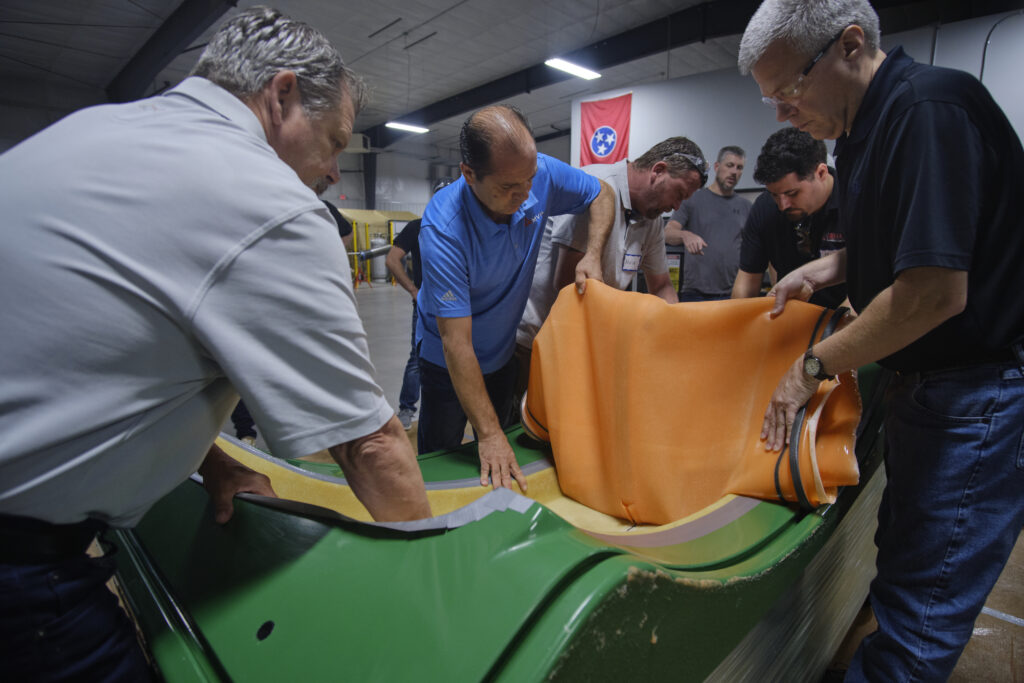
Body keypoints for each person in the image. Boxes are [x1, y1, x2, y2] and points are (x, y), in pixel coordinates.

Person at [0, 8, 431, 681]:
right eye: (333, 143)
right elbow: (369, 445)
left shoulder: (88, 132)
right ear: (281, 95)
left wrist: (210, 458)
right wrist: (435, 584)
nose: (332, 174)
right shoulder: (270, 201)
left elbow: (109, 345)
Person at [739, 1, 1024, 680]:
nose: (781, 114)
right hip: (927, 389)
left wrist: (811, 367)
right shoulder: (861, 134)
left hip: (976, 391)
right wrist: (829, 267)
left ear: (850, 44)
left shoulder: (929, 111)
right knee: (905, 558)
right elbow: (910, 239)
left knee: (921, 608)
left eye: (788, 90)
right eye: (770, 99)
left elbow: (931, 292)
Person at [417, 104, 616, 492]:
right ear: (469, 174)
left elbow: (602, 192)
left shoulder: (538, 174)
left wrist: (593, 253)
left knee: (505, 459)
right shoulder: (443, 230)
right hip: (448, 365)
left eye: (529, 180)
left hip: (502, 355)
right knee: (441, 465)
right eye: (509, 187)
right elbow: (457, 344)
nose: (525, 194)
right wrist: (488, 434)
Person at [516, 137, 708, 381]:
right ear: (658, 171)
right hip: (537, 338)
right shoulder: (595, 188)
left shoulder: (651, 219)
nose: (676, 206)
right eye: (679, 193)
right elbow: (569, 284)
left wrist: (674, 326)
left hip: (585, 340)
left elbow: (661, 286)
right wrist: (631, 320)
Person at [731, 127, 846, 308]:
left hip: (852, 314)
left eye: (792, 193)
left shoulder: (856, 199)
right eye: (775, 195)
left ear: (821, 173)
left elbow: (872, 282)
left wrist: (840, 325)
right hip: (790, 316)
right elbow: (746, 284)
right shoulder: (765, 208)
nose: (783, 205)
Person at [387, 177, 456, 430]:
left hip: (458, 306)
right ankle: (407, 409)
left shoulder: (463, 228)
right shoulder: (418, 227)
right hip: (427, 305)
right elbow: (393, 259)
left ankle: (455, 408)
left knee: (459, 353)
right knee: (418, 357)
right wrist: (413, 290)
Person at [665, 146, 751, 301]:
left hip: (732, 294)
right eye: (730, 165)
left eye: (739, 168)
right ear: (717, 167)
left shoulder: (746, 207)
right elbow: (667, 233)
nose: (734, 172)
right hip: (695, 294)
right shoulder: (692, 199)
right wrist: (685, 235)